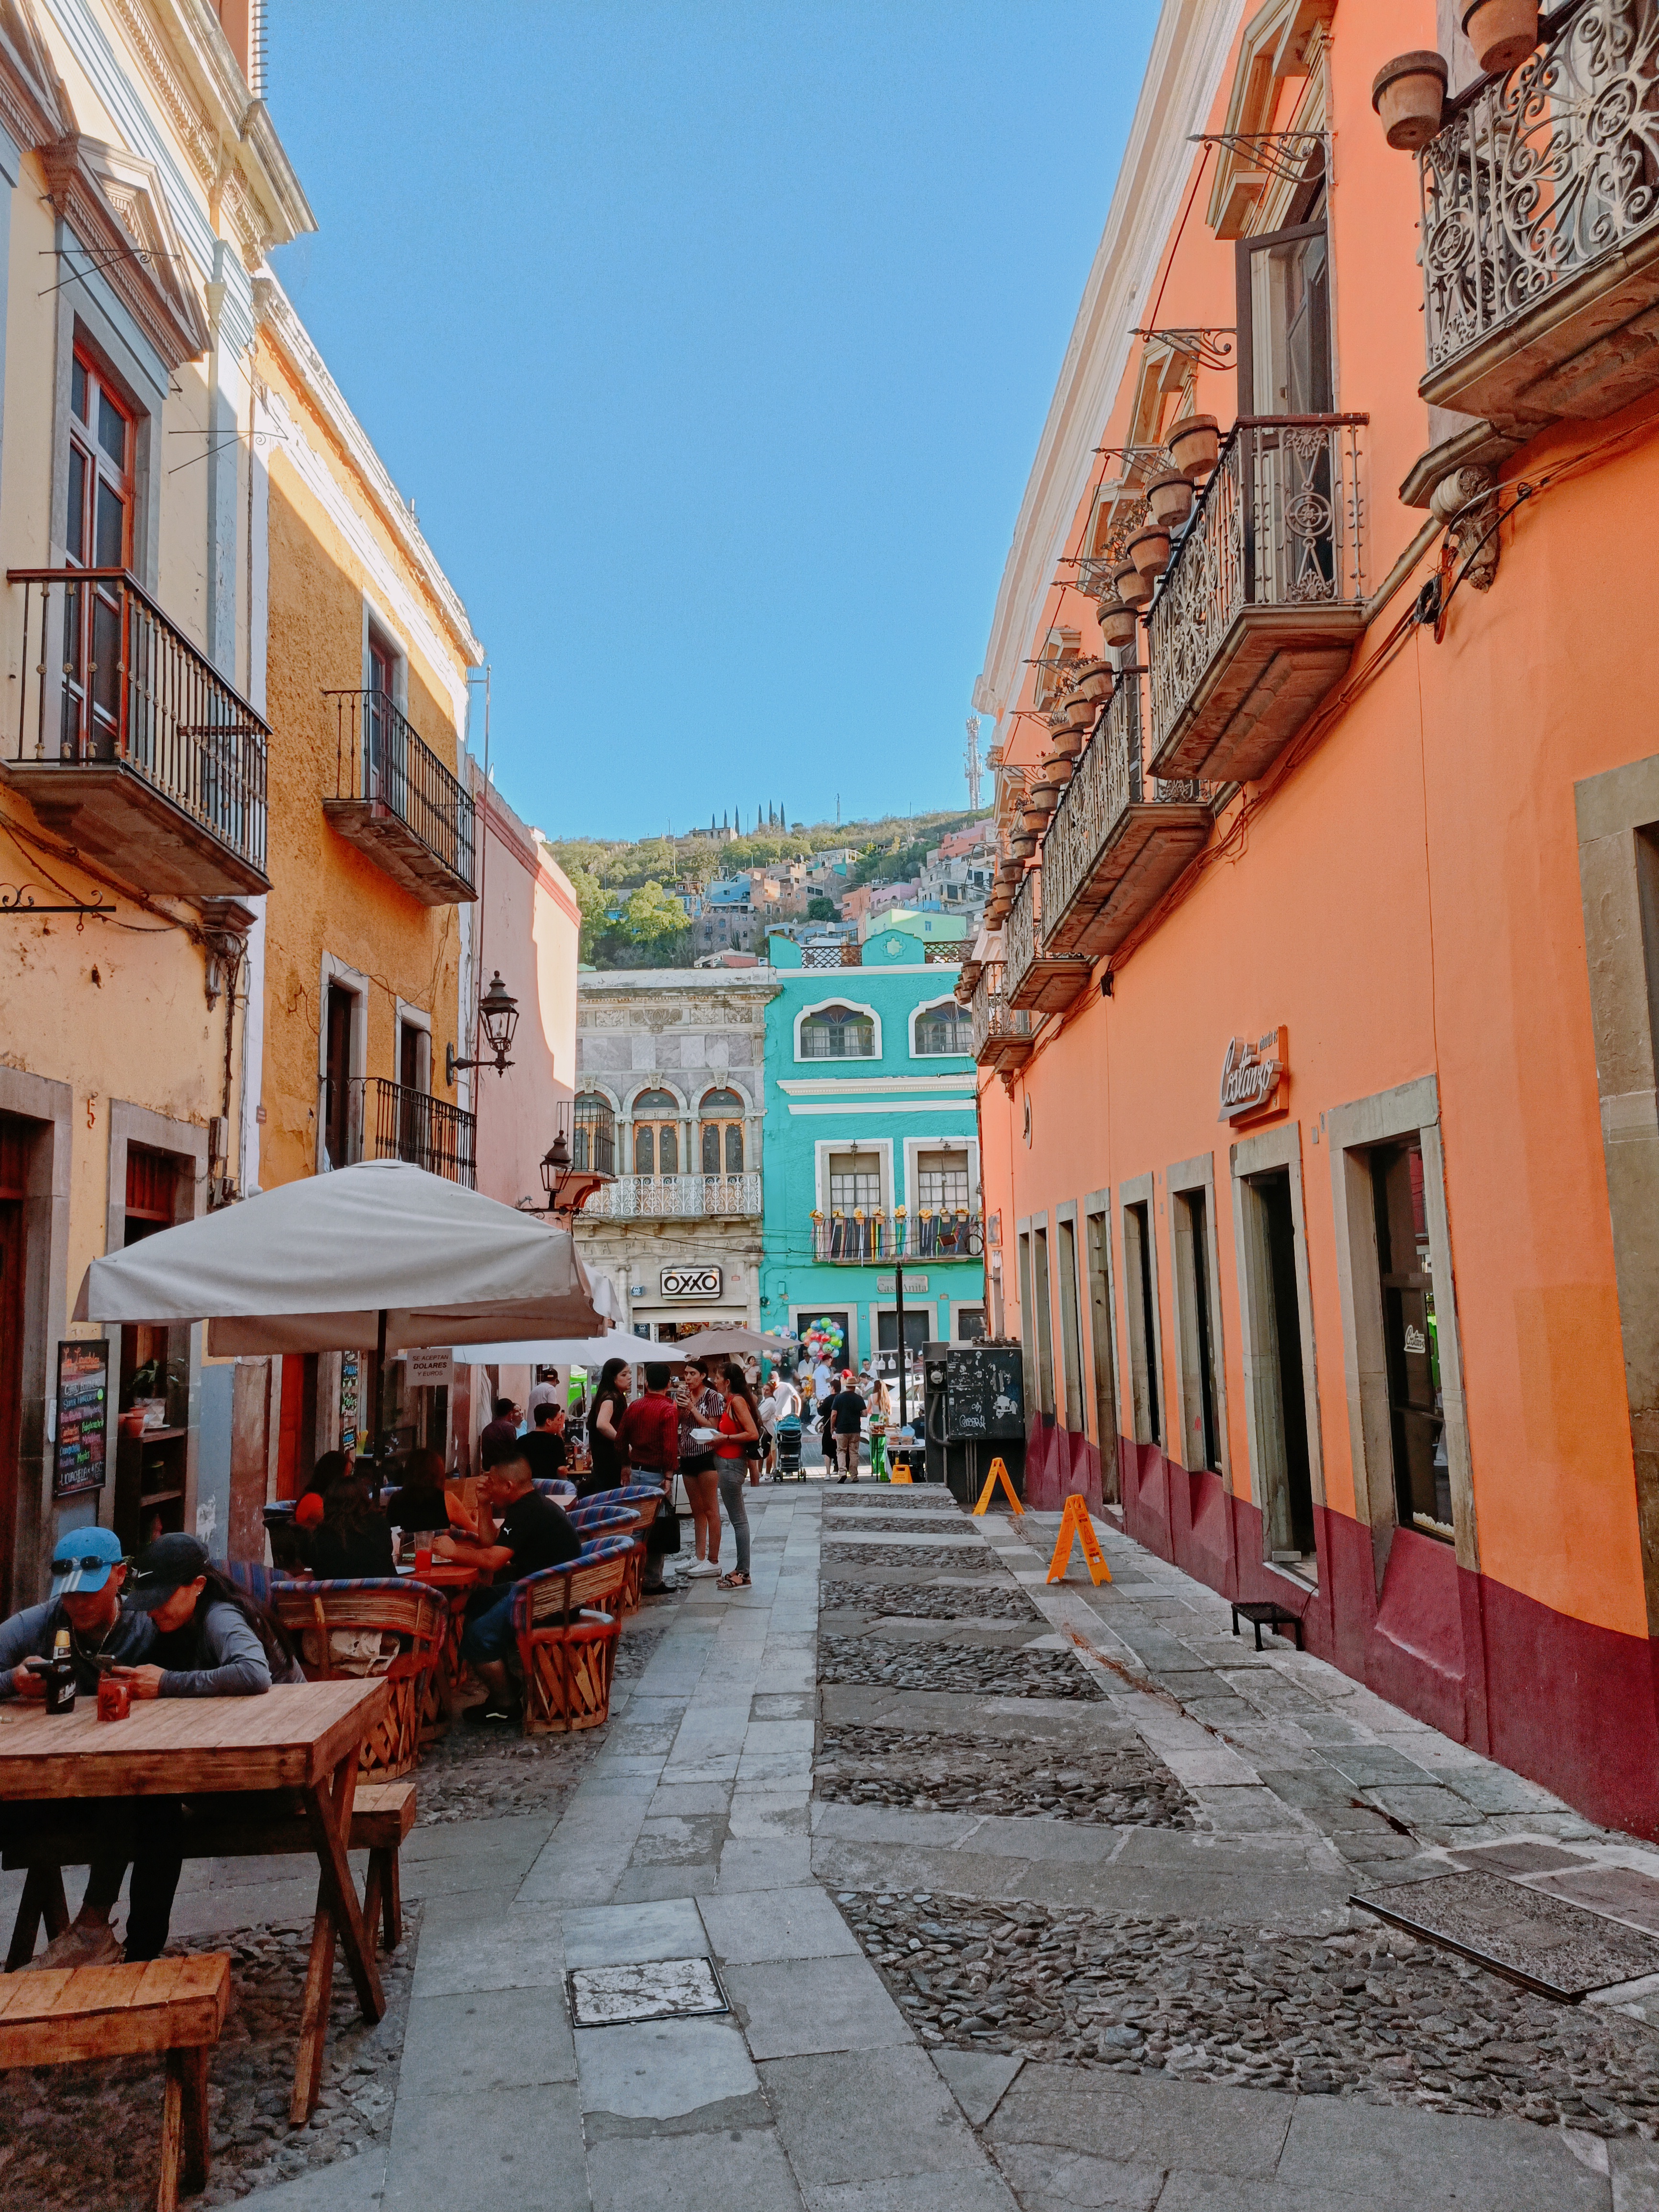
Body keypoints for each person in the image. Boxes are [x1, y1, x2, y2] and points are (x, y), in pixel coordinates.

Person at [0, 1532, 151, 1968]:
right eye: (69, 1595)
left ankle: (96, 1927)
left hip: (123, 1786)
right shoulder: (38, 1623)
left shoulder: (146, 1624)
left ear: (120, 1576)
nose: (78, 1604)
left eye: (89, 1592)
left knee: (134, 1790)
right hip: (49, 1784)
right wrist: (11, 1680)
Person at [439, 1440, 583, 1724]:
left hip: (550, 1600)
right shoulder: (528, 1505)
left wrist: (453, 1552)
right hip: (546, 1590)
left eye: (491, 1483)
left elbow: (493, 1561)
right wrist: (484, 1503)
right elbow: (490, 1543)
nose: (486, 1486)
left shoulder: (528, 1511)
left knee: (478, 1636)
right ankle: (507, 1682)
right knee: (478, 1601)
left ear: (508, 1486)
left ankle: (505, 1704)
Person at [619, 1362, 683, 1594]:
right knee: (658, 1527)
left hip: (635, 1471)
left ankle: (630, 1580)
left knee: (636, 1528)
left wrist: (625, 1465)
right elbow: (670, 1447)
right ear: (668, 1384)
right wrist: (669, 1477)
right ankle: (652, 1581)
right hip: (656, 1475)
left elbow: (620, 1439)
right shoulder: (668, 1409)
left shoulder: (634, 1406)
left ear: (646, 1383)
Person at [712, 1363, 762, 1589]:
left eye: (718, 1377)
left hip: (732, 1465)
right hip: (726, 1464)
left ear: (728, 1382)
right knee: (737, 1520)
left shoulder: (737, 1401)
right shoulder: (730, 1401)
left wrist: (725, 1439)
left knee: (739, 1521)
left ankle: (744, 1573)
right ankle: (741, 1568)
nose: (715, 1381)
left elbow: (752, 1433)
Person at [676, 1359, 725, 1577]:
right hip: (687, 1454)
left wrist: (692, 1409)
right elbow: (678, 1423)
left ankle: (713, 1560)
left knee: (710, 1509)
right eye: (686, 1374)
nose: (688, 1378)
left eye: (693, 1374)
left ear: (703, 1376)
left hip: (706, 1455)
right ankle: (699, 1556)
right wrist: (678, 1406)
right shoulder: (685, 1396)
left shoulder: (712, 1397)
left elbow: (713, 1427)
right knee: (696, 1510)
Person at [305, 1470, 397, 1580]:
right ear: (364, 1498)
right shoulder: (379, 1525)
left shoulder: (320, 1535)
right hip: (382, 1590)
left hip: (333, 1591)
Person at [585, 1358, 631, 1493]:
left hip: (605, 1460)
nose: (629, 1377)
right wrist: (623, 1441)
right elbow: (602, 1424)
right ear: (613, 1379)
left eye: (629, 1373)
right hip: (610, 1461)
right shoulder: (612, 1397)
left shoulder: (611, 1396)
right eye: (624, 1374)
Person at [829, 1369, 867, 1483]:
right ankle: (854, 1476)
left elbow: (834, 1414)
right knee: (854, 1452)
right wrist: (858, 1414)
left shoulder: (839, 1398)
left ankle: (842, 1473)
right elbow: (865, 1413)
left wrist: (832, 1427)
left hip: (842, 1429)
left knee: (841, 1451)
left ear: (847, 1386)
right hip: (855, 1429)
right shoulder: (859, 1398)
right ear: (855, 1387)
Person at [520, 1401, 570, 1486]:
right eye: (558, 1420)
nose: (559, 1423)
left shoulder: (521, 1441)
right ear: (549, 1421)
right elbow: (561, 1470)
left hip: (527, 1487)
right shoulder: (556, 1441)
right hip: (551, 1488)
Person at [479, 1395, 522, 1470]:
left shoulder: (486, 1429)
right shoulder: (508, 1427)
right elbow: (514, 1449)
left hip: (489, 1470)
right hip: (504, 1470)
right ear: (510, 1413)